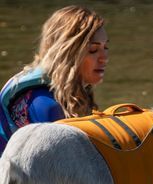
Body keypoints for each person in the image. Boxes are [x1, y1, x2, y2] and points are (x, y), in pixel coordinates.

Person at [0, 5, 109, 152]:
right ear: (67, 53)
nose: (104, 58)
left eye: (105, 47)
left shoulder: (73, 94)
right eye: (93, 50)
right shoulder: (45, 105)